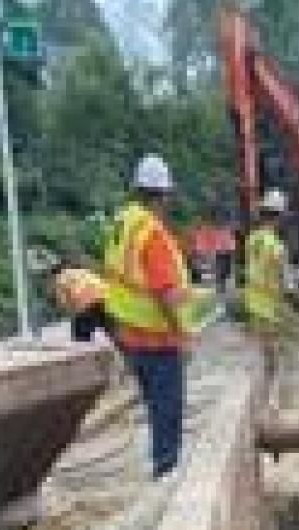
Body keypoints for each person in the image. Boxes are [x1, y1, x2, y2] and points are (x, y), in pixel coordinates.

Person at [103, 153, 202, 479]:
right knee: (167, 409)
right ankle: (166, 473)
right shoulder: (152, 232)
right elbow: (165, 292)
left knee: (155, 406)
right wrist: (183, 334)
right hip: (156, 338)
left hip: (129, 335)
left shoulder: (121, 222)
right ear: (164, 194)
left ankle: (162, 464)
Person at [243, 189, 292, 376]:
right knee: (273, 345)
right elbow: (283, 276)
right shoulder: (276, 246)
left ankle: (265, 379)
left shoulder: (252, 239)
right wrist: (291, 292)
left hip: (253, 301)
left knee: (262, 345)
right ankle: (272, 384)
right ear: (278, 217)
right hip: (270, 302)